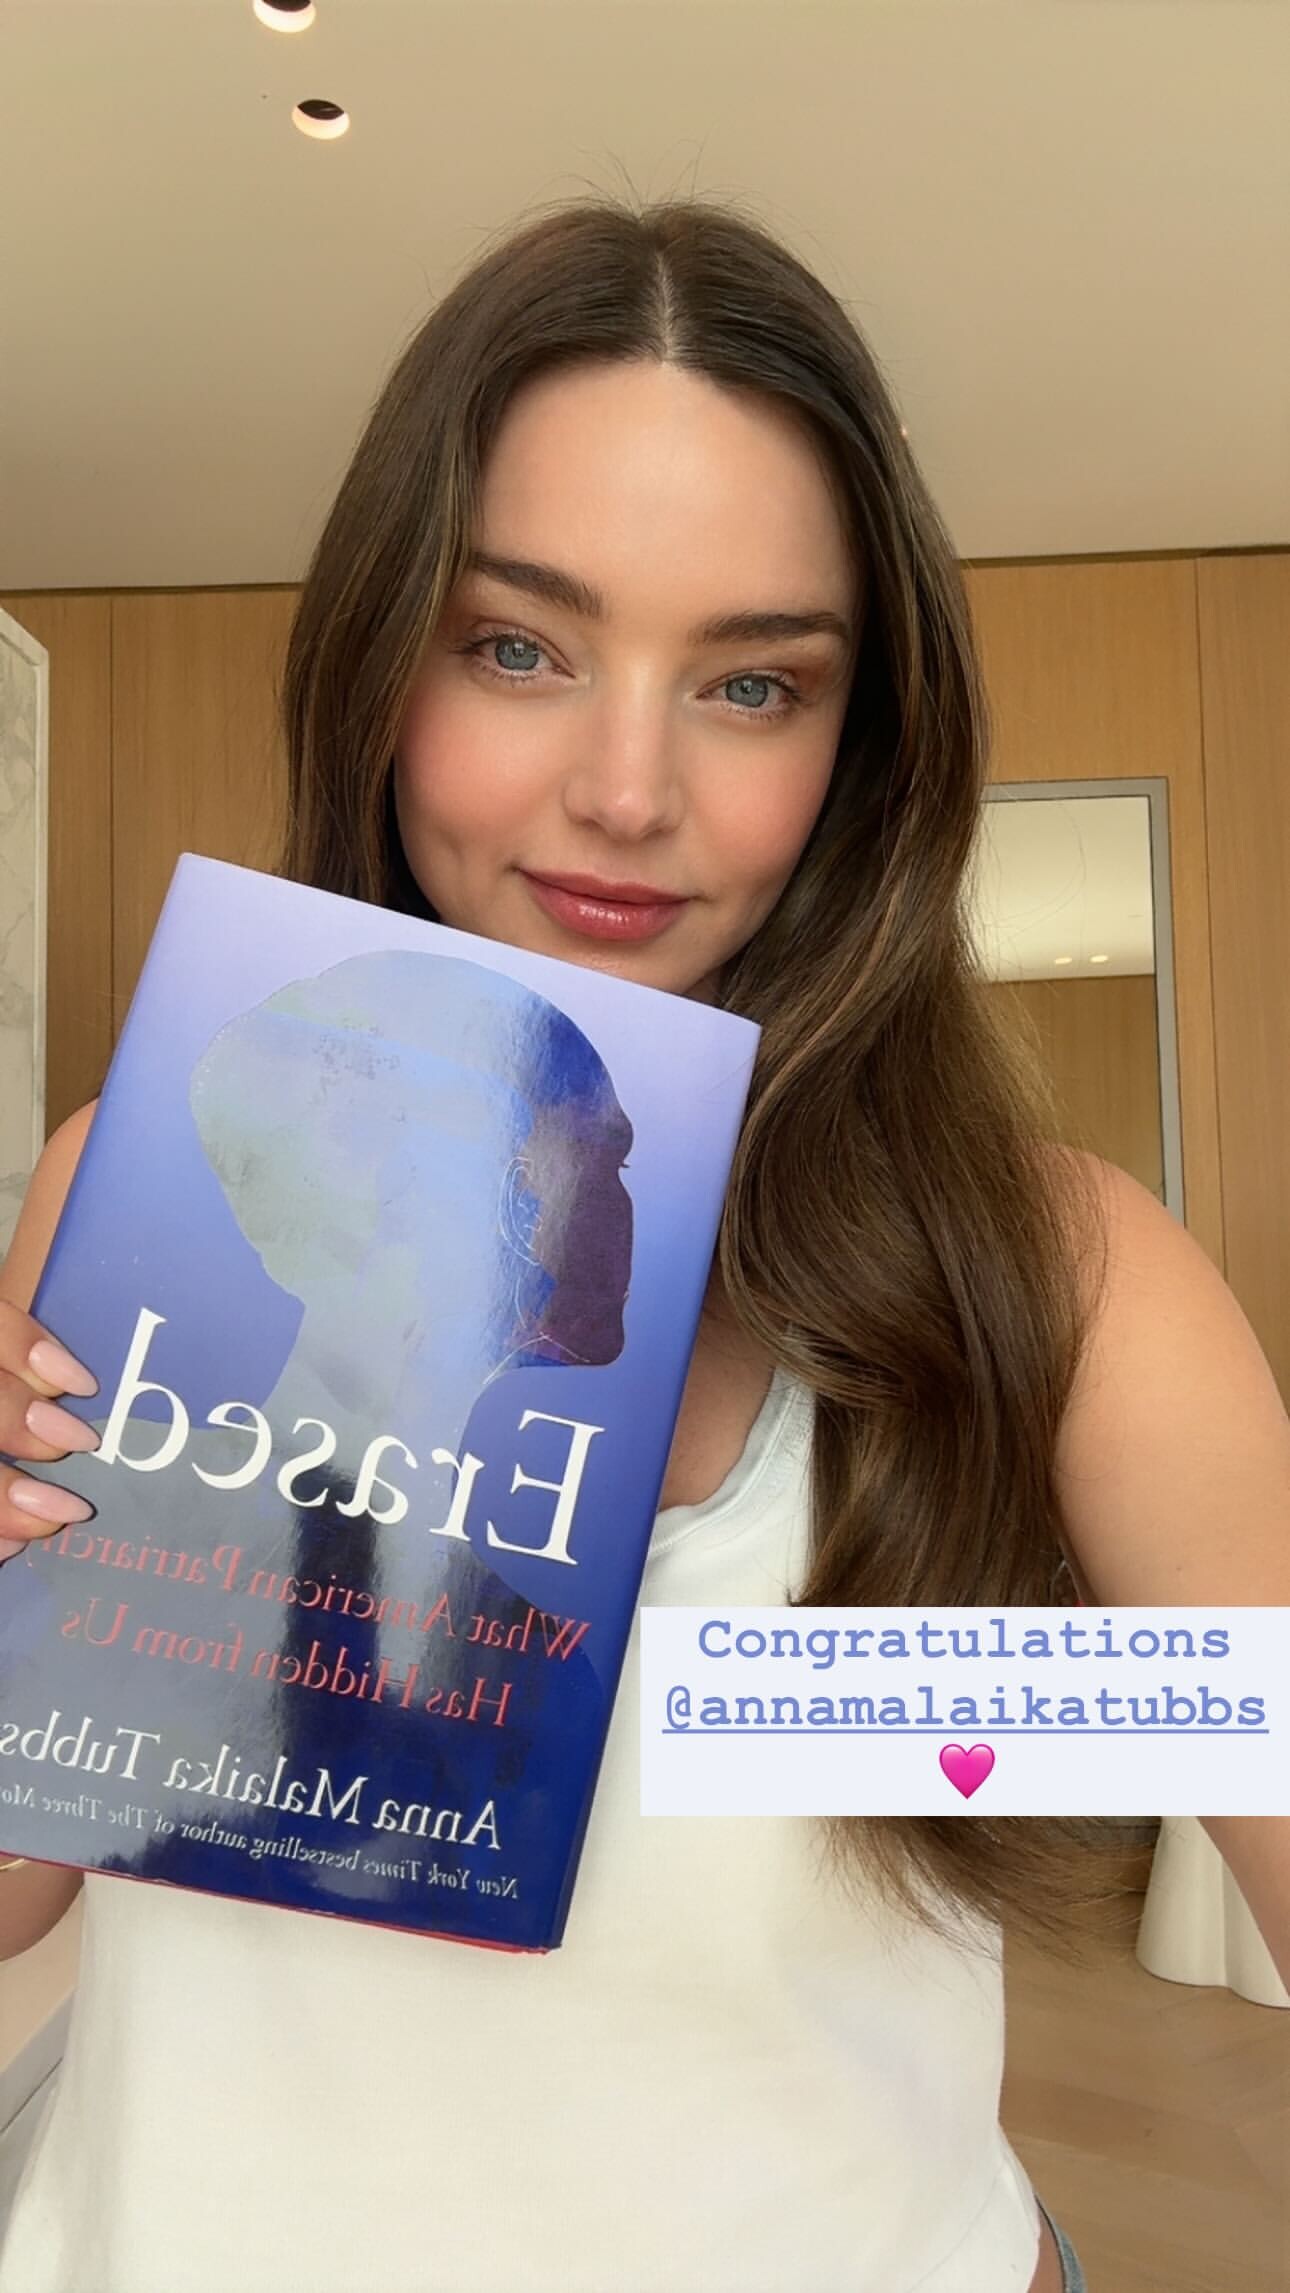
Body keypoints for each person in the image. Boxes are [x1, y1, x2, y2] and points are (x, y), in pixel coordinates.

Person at [1, 193, 1286, 2293]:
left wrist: (856, 1683)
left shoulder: (1060, 1283)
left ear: (860, 744)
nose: (624, 788)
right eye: (517, 645)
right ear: (381, 661)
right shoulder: (131, 1189)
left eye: (751, 683)